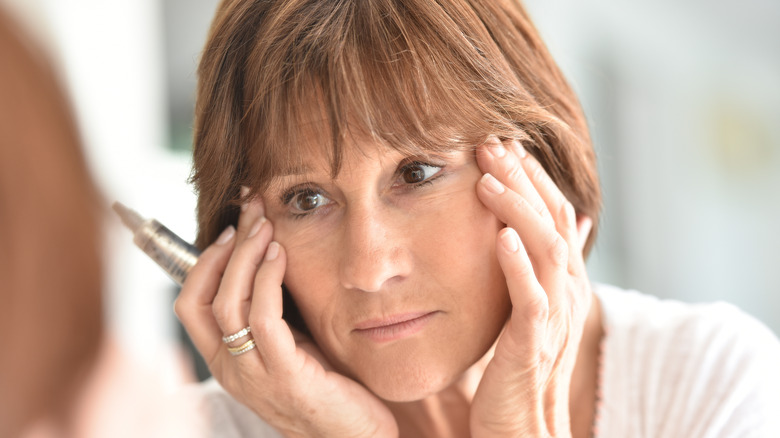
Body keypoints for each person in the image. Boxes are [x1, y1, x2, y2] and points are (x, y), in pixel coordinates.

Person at [174, 0, 780, 436]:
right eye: (306, 200)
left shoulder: (711, 383)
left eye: (416, 173)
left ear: (536, 169)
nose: (369, 268)